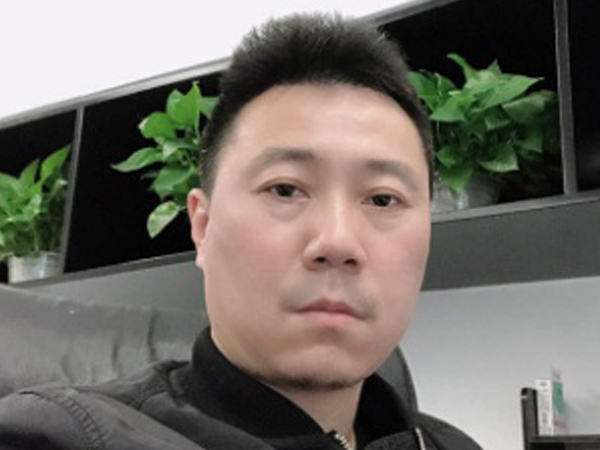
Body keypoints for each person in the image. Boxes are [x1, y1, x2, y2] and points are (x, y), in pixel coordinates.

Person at [0, 13, 482, 450]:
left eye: (382, 199)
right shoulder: (63, 435)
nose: (337, 241)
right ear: (203, 225)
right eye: (285, 189)